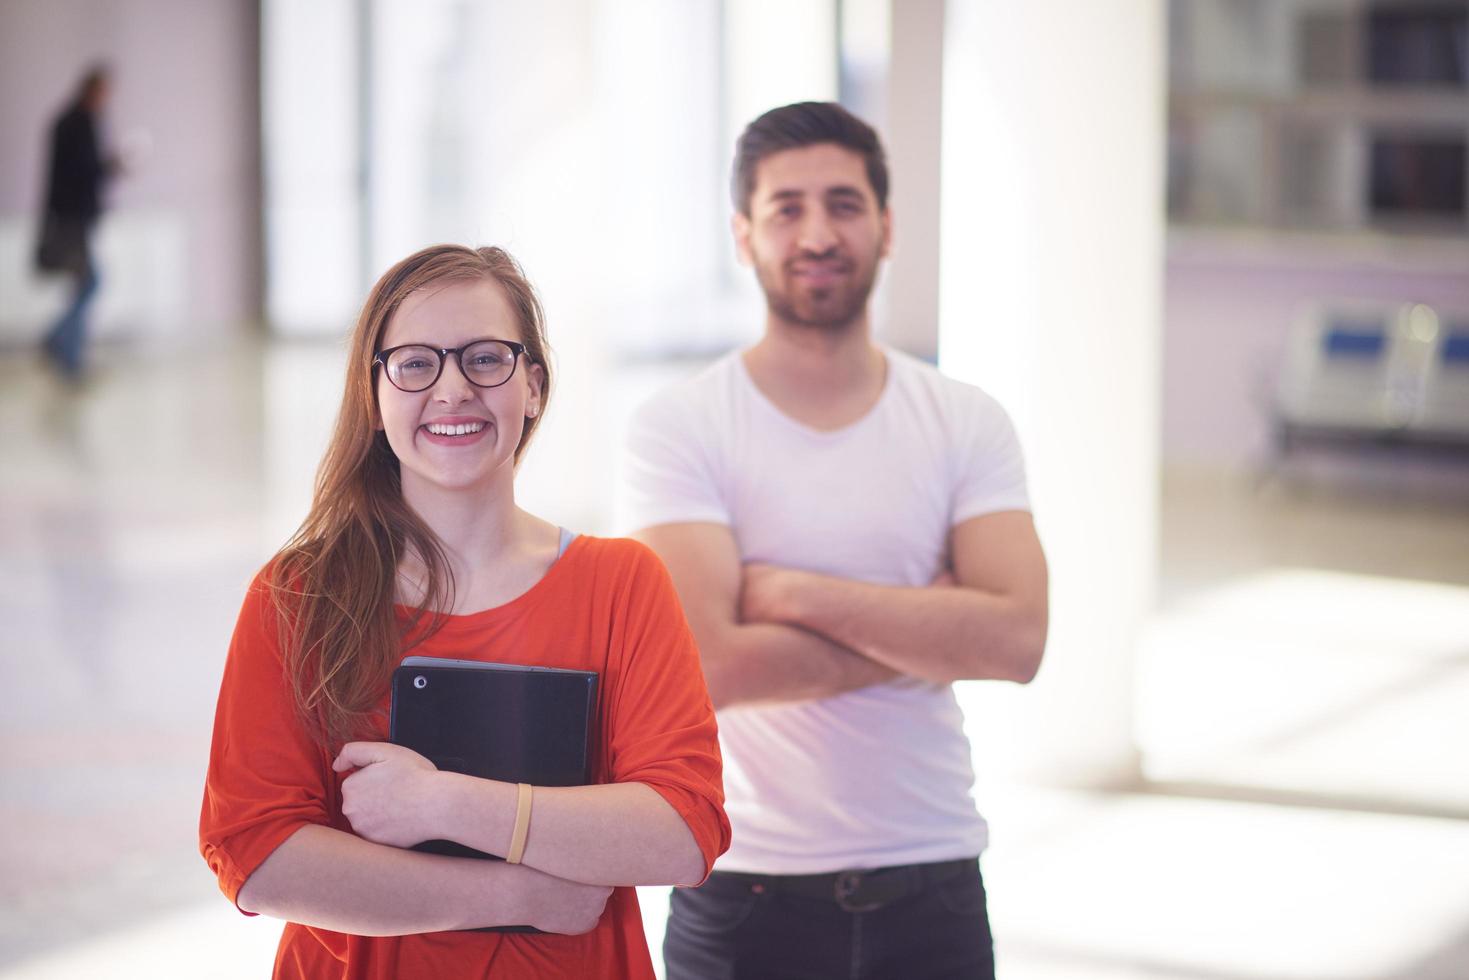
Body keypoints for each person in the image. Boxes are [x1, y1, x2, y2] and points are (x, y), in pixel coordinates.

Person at [200, 244, 730, 979]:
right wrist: (521, 893)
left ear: (534, 386)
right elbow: (256, 857)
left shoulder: (621, 583)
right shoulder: (298, 595)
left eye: (486, 358)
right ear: (373, 395)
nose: (452, 390)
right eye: (416, 363)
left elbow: (682, 832)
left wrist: (444, 804)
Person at [620, 102, 1049, 979]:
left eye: (844, 204)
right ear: (743, 235)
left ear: (886, 227)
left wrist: (791, 594)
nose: (817, 232)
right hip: (741, 887)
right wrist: (930, 627)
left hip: (931, 876)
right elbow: (709, 669)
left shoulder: (963, 420)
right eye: (787, 208)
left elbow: (1015, 640)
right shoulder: (680, 426)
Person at [36, 65, 118, 378]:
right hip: (74, 217)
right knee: (90, 283)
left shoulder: (71, 122)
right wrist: (111, 166)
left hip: (72, 215)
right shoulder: (77, 124)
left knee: (82, 284)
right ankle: (58, 341)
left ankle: (70, 360)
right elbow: (82, 173)